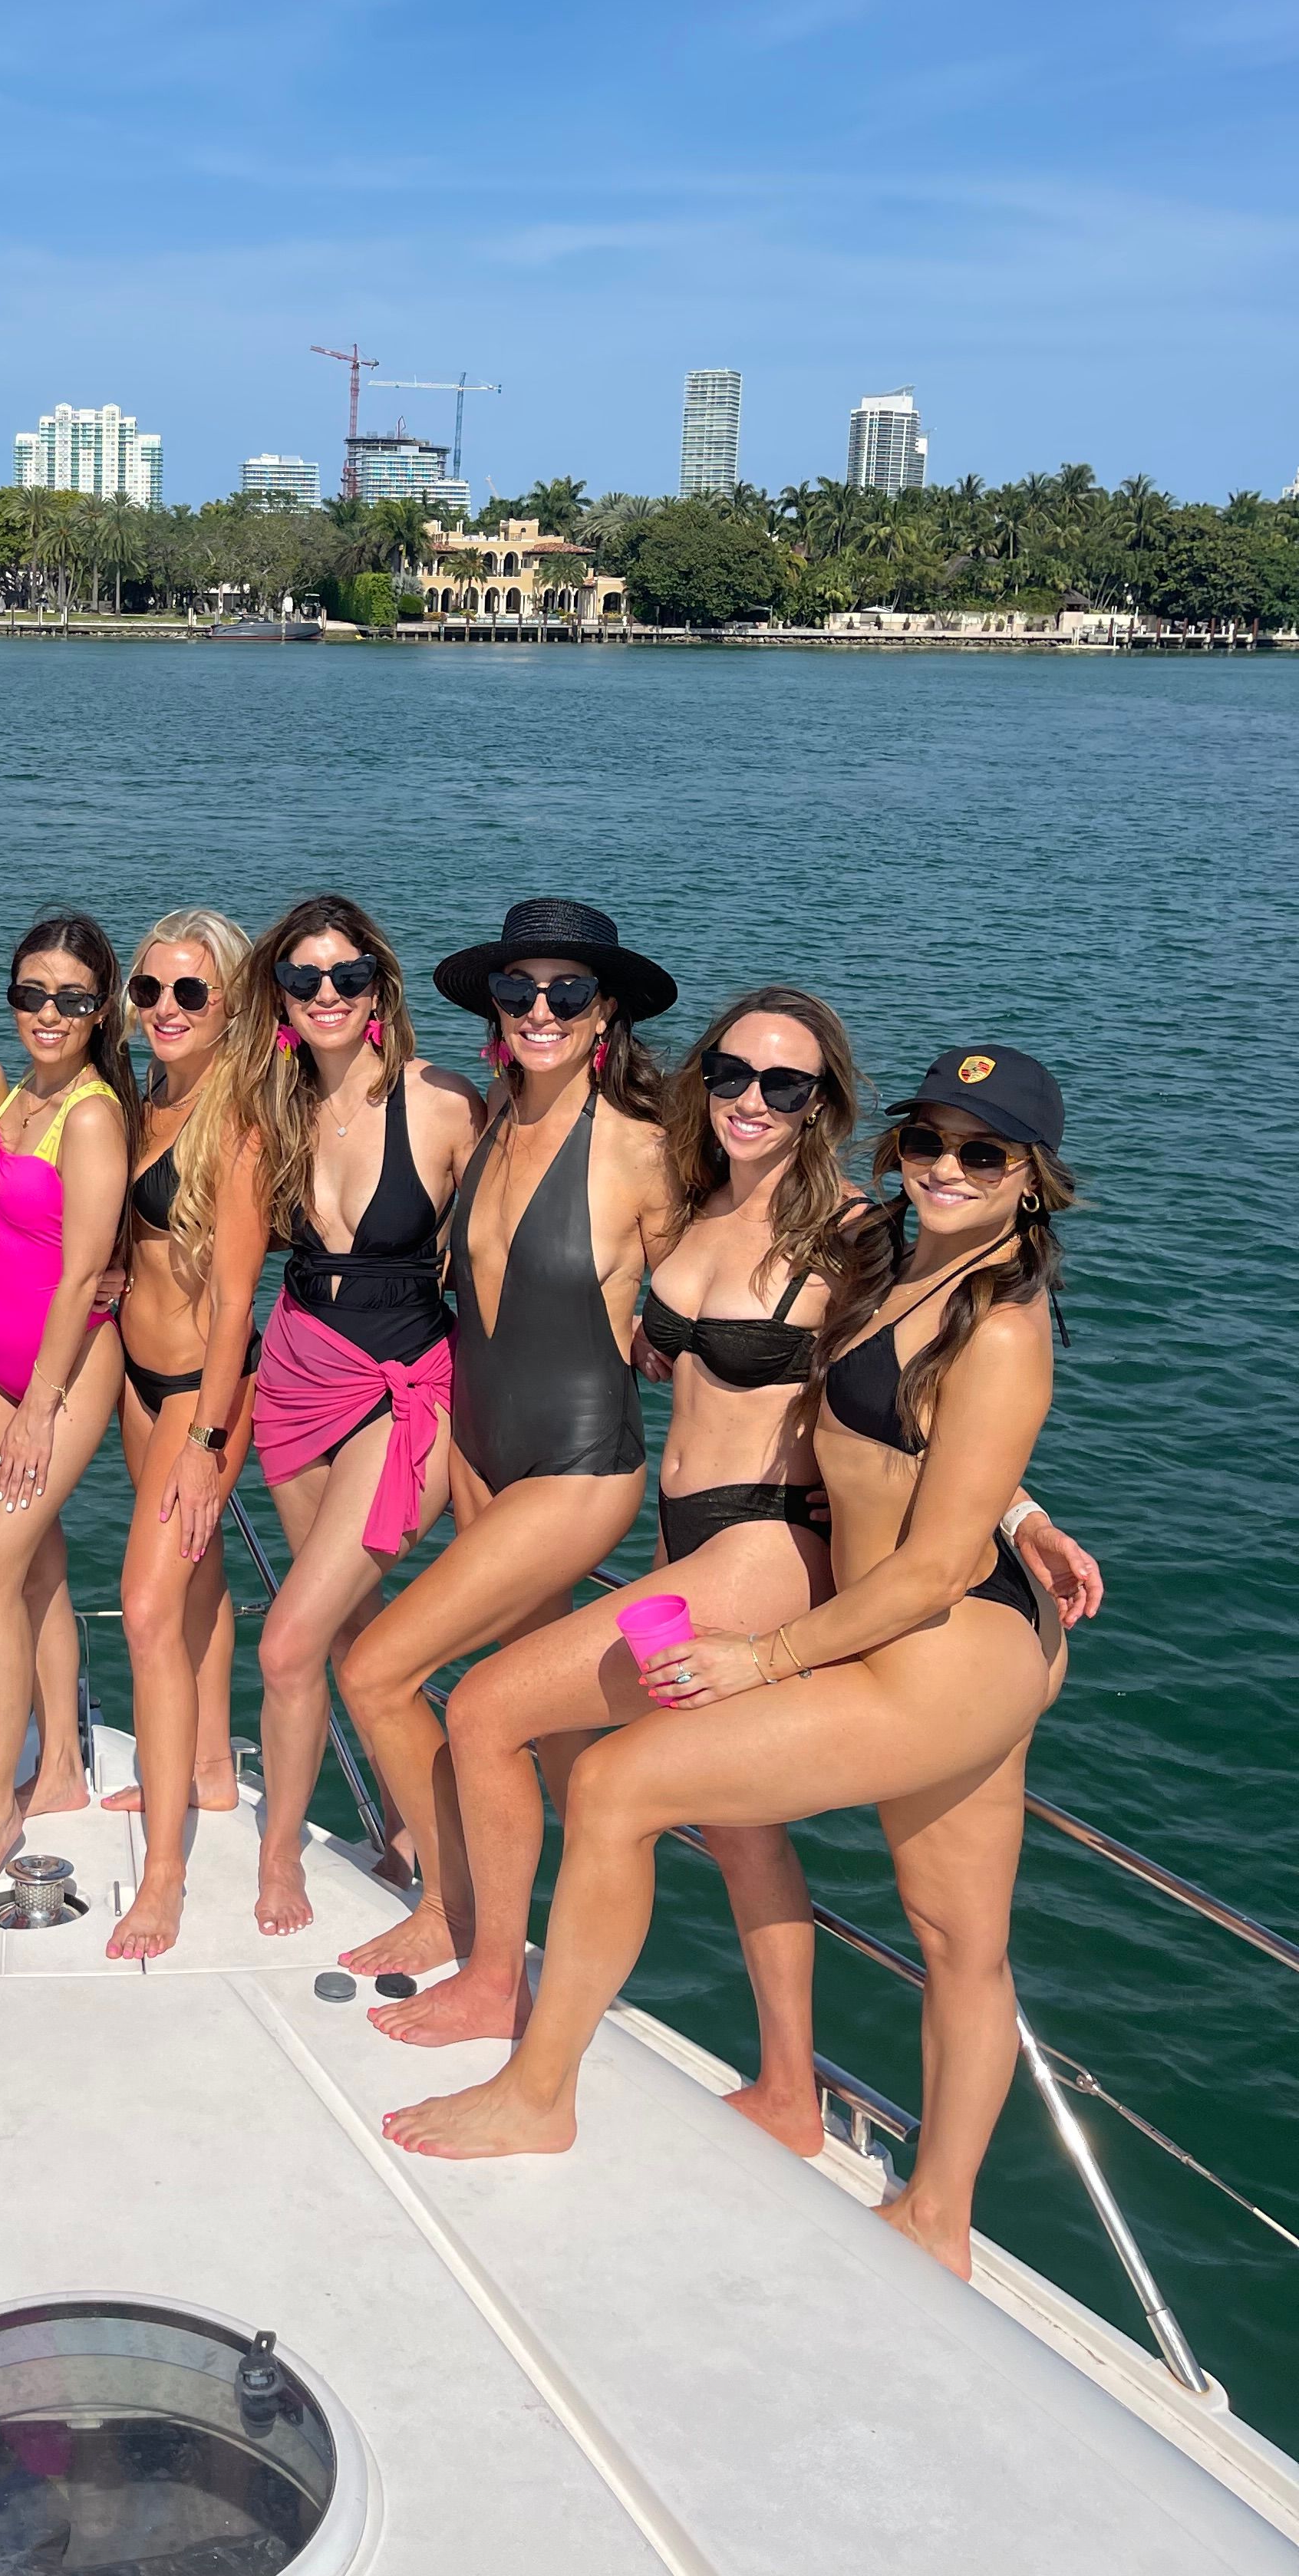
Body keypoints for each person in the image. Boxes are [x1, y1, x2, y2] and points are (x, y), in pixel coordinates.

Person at [385, 1045, 1078, 2287]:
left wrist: (756, 1656)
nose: (944, 1166)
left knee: (608, 1784)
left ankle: (536, 2082)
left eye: (981, 1152)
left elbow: (923, 1565)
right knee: (947, 1931)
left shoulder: (1003, 1320)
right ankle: (901, 2183)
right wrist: (1023, 1514)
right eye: (926, 1139)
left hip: (911, 1637)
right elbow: (924, 1445)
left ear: (1031, 1178)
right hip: (889, 1608)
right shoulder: (880, 1247)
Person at [372, 988, 861, 2071]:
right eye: (730, 1074)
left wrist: (1014, 1507)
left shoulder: (852, 1233)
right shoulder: (700, 1204)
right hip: (685, 1547)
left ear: (822, 1104)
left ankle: (499, 1983)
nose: (751, 1099)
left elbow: (920, 1392)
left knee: (490, 1708)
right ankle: (792, 2086)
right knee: (733, 1817)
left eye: (785, 1085)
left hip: (769, 1548)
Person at [333, 899, 677, 1981]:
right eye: (518, 989)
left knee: (383, 1674)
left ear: (604, 1012)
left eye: (566, 991)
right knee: (556, 1730)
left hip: (578, 1468)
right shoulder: (483, 1126)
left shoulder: (644, 1153)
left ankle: (469, 1932)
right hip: (478, 1450)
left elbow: (739, 1288)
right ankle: (582, 1951)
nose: (539, 1009)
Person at [236, 895, 482, 1939]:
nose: (326, 995)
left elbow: (516, 1255)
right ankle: (406, 1832)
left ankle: (316, 1865)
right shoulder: (274, 1107)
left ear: (378, 987)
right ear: (280, 999)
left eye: (346, 977)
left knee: (289, 1644)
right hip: (294, 1378)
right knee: (346, 1640)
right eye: (303, 979)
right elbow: (229, 1267)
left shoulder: (439, 1103)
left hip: (405, 1387)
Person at [0, 914, 136, 1896]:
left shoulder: (91, 1115)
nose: (49, 1015)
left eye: (74, 999)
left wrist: (41, 1406)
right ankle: (56, 1770)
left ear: (103, 1012)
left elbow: (86, 1267)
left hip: (61, 1374)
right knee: (35, 1566)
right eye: (32, 995)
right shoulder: (4, 1097)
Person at [104, 909, 267, 1962]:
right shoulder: (138, 1098)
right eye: (151, 991)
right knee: (197, 1583)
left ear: (232, 1005)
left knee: (146, 1605)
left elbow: (237, 1302)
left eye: (192, 994)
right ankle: (209, 1765)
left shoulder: (239, 1122)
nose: (166, 1010)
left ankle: (163, 1876)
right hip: (132, 1376)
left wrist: (209, 1437)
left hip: (201, 1393)